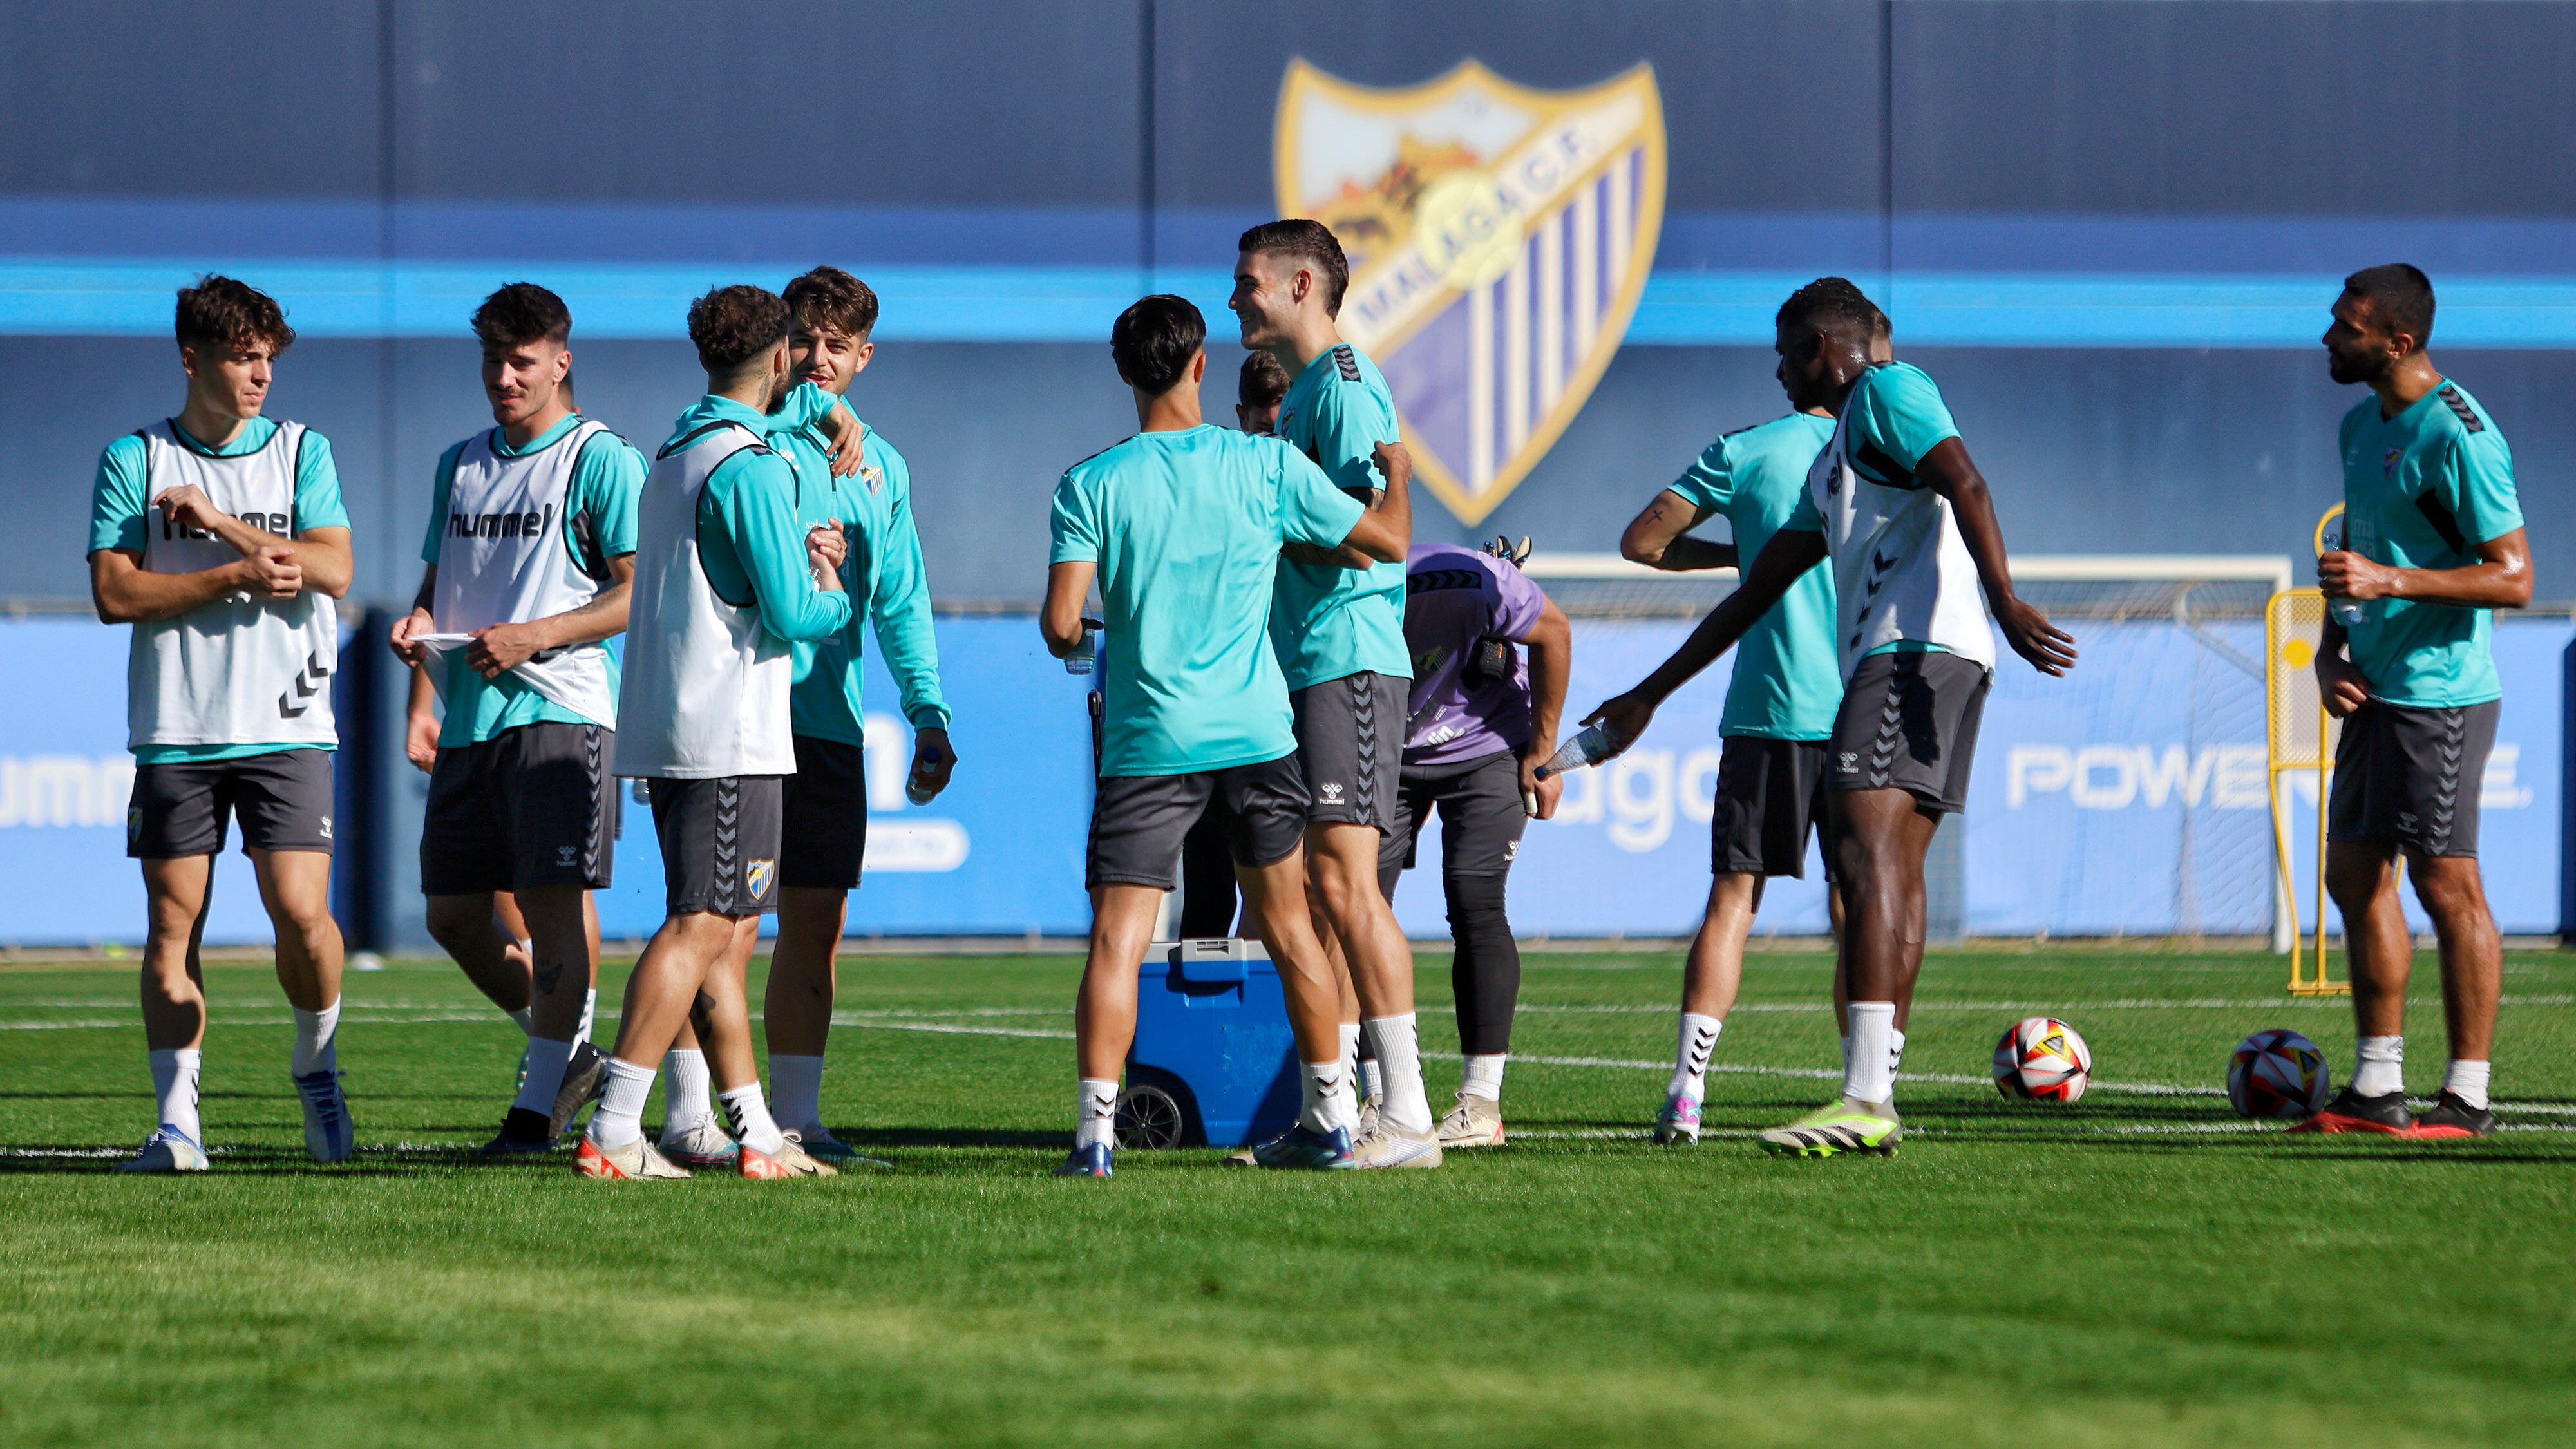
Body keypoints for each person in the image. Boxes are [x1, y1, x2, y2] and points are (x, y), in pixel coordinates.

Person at [1586, 277, 2076, 1157]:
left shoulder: (1891, 389)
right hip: (1924, 659)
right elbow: (1756, 589)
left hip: (1916, 650)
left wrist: (2005, 598)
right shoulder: (1831, 464)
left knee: (1862, 846)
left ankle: (1866, 1095)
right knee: (1890, 860)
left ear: (1820, 343)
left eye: (1783, 350)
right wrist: (1648, 694)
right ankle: (1873, 1090)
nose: (1777, 370)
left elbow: (1964, 478)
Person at [1040, 294, 1412, 1177]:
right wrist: (1397, 471)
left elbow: (1061, 623)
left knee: (1118, 941)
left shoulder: (1091, 482)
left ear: (1126, 373)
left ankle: (1095, 1139)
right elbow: (1387, 541)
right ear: (1201, 366)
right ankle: (1329, 1115)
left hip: (1149, 740)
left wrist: (1107, 627)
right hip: (1254, 731)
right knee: (1291, 930)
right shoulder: (1264, 465)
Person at [574, 284, 857, 1180]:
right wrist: (829, 577)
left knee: (725, 931)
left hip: (673, 722)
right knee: (703, 924)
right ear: (780, 356)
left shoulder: (676, 451)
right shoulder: (751, 465)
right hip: (728, 729)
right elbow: (790, 612)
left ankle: (757, 1134)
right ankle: (616, 1126)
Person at [87, 275, 355, 1172]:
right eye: (244, 358)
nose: (260, 376)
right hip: (178, 730)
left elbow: (334, 567)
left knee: (301, 914)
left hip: (287, 727)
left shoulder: (301, 451)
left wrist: (222, 526)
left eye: (268, 359)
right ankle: (178, 1128)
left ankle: (316, 1068)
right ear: (193, 359)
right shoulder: (134, 457)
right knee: (173, 925)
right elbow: (115, 591)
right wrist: (233, 573)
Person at [1615, 312, 1889, 1145]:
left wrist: (1744, 552)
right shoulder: (1879, 449)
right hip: (1857, 705)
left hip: (1768, 709)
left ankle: (1686, 1094)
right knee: (1858, 905)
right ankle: (1862, 1088)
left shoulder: (1742, 450)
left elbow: (1643, 542)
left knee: (1734, 898)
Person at [387, 283, 641, 1154]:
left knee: (550, 910)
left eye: (522, 361)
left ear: (561, 361)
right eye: (493, 359)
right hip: (469, 718)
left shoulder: (602, 457)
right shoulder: (460, 460)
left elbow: (637, 595)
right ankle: (574, 1052)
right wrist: (422, 648)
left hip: (561, 713)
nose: (503, 376)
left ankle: (534, 1114)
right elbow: (440, 583)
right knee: (451, 916)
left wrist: (537, 633)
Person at [2303, 264, 2528, 1138]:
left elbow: (2515, 575)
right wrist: (2331, 652)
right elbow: (2352, 555)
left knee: (2446, 885)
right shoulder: (2362, 425)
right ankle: (2375, 1088)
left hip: (2441, 694)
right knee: (2355, 874)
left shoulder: (2460, 434)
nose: (2328, 337)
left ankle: (2467, 1098)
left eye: (2346, 326)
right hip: (2374, 686)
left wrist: (2389, 579)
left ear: (2397, 341)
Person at [1230, 219, 1437, 1169]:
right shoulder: (1312, 389)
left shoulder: (1346, 386)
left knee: (1351, 887)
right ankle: (1333, 1117)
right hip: (1313, 659)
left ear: (1302, 283)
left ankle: (1410, 1117)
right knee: (1325, 891)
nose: (1235, 298)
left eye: (1249, 282)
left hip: (1348, 656)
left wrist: (1264, 528)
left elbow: (1376, 532)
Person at [760, 265, 956, 1166]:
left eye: (836, 345)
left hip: (830, 725)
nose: (816, 358)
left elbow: (902, 602)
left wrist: (928, 713)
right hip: (744, 715)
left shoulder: (884, 467)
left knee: (817, 927)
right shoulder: (749, 431)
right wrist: (823, 416)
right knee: (715, 922)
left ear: (864, 356)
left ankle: (796, 1122)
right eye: (803, 338)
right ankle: (695, 1111)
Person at [1374, 538, 1570, 1148]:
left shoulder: (1481, 578)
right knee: (1356, 907)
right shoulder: (1337, 586)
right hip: (1389, 751)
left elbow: (1555, 632)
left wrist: (1544, 749)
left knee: (1474, 899)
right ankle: (1374, 1096)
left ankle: (1480, 1104)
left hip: (1487, 743)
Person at [1175, 349, 1293, 938]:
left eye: (1284, 426)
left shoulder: (1306, 482)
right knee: (1210, 879)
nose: (1273, 441)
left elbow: (1380, 544)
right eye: (1262, 426)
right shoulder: (1227, 476)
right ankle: (1209, 1020)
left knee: (1297, 897)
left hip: (1289, 706)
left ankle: (1323, 1029)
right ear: (1241, 415)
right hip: (1225, 704)